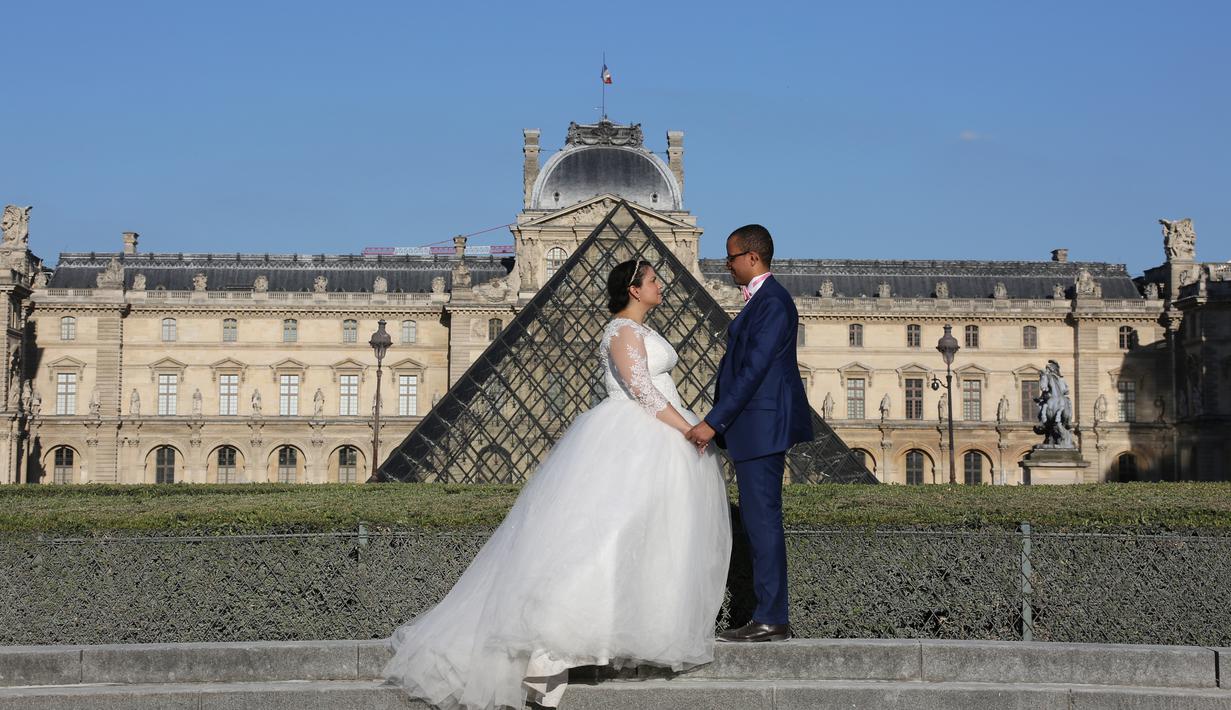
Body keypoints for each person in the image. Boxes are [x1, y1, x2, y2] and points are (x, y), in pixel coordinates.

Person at [384, 259, 731, 710]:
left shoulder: (637, 330)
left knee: (641, 541)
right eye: (652, 280)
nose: (660, 285)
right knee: (610, 538)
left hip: (653, 435)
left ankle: (596, 641)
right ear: (632, 288)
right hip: (639, 436)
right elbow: (642, 389)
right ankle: (552, 649)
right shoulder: (622, 331)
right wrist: (686, 428)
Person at [687, 224, 813, 643]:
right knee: (761, 523)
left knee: (762, 523)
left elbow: (752, 372)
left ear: (752, 258)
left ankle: (771, 617)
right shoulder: (765, 302)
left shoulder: (773, 303)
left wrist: (712, 421)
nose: (727, 265)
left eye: (731, 257)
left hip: (760, 428)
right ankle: (768, 615)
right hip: (755, 428)